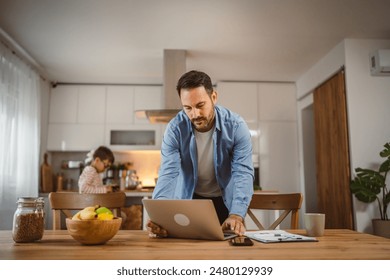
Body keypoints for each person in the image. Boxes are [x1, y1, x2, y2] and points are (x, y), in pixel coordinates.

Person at [148, 70, 254, 237]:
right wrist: (159, 216)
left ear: (214, 97)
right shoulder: (174, 129)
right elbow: (168, 173)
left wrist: (236, 215)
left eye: (200, 105)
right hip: (190, 201)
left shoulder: (236, 127)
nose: (195, 114)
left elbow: (243, 173)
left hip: (225, 200)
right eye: (187, 108)